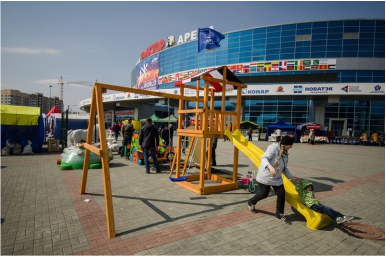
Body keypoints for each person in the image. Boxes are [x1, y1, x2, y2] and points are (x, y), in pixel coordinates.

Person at [247, 136, 300, 222]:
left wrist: (292, 177)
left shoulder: (285, 153)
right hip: (265, 176)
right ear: (284, 145)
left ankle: (279, 213)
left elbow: (284, 168)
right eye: (289, 145)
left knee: (281, 194)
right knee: (264, 194)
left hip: (277, 178)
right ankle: (251, 201)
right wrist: (270, 167)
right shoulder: (273, 148)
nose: (291, 147)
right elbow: (264, 158)